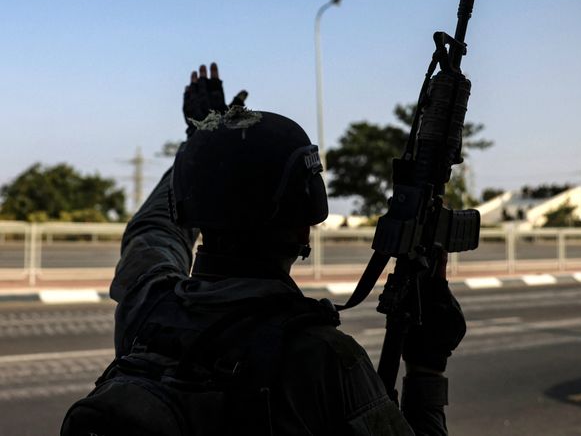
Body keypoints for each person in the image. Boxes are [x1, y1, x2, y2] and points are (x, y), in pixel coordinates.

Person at [63, 63, 466, 435]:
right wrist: (427, 369)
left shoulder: (145, 308)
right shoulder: (324, 359)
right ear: (307, 219)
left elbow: (152, 232)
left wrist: (204, 139)